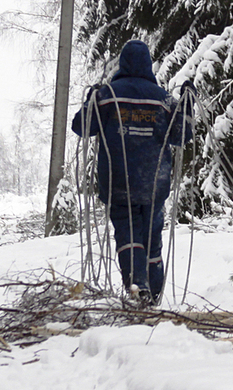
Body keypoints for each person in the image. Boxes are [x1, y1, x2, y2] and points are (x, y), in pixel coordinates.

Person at [71, 40, 193, 306]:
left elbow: (81, 127)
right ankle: (154, 296)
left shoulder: (107, 95)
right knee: (152, 239)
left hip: (118, 181)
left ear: (122, 63)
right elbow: (183, 135)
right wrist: (187, 106)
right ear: (148, 65)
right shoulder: (163, 99)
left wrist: (91, 100)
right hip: (154, 183)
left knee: (127, 235)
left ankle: (138, 286)